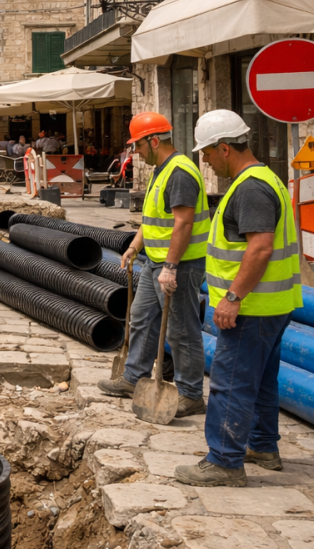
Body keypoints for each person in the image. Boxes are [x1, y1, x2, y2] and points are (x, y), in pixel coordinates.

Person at [174, 110, 301, 488]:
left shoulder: (250, 188)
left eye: (208, 154)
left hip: (252, 307)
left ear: (225, 148)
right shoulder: (266, 180)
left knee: (231, 382)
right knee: (261, 381)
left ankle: (225, 461)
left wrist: (231, 297)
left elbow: (260, 249)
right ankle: (262, 446)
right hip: (272, 305)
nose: (206, 163)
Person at [98, 112, 210, 421]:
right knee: (141, 316)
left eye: (138, 146)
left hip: (179, 264)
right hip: (153, 261)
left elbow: (183, 223)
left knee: (181, 329)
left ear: (154, 140)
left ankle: (190, 394)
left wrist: (171, 266)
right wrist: (135, 245)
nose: (136, 152)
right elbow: (152, 220)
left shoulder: (180, 173)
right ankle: (133, 376)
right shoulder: (162, 171)